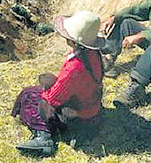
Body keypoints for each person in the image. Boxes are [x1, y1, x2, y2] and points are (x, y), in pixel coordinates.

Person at [11, 10, 104, 156]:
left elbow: (53, 98)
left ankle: (43, 138)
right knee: (39, 90)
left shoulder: (75, 67)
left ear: (73, 40)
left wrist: (44, 87)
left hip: (78, 116)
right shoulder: (93, 54)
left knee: (30, 96)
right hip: (93, 110)